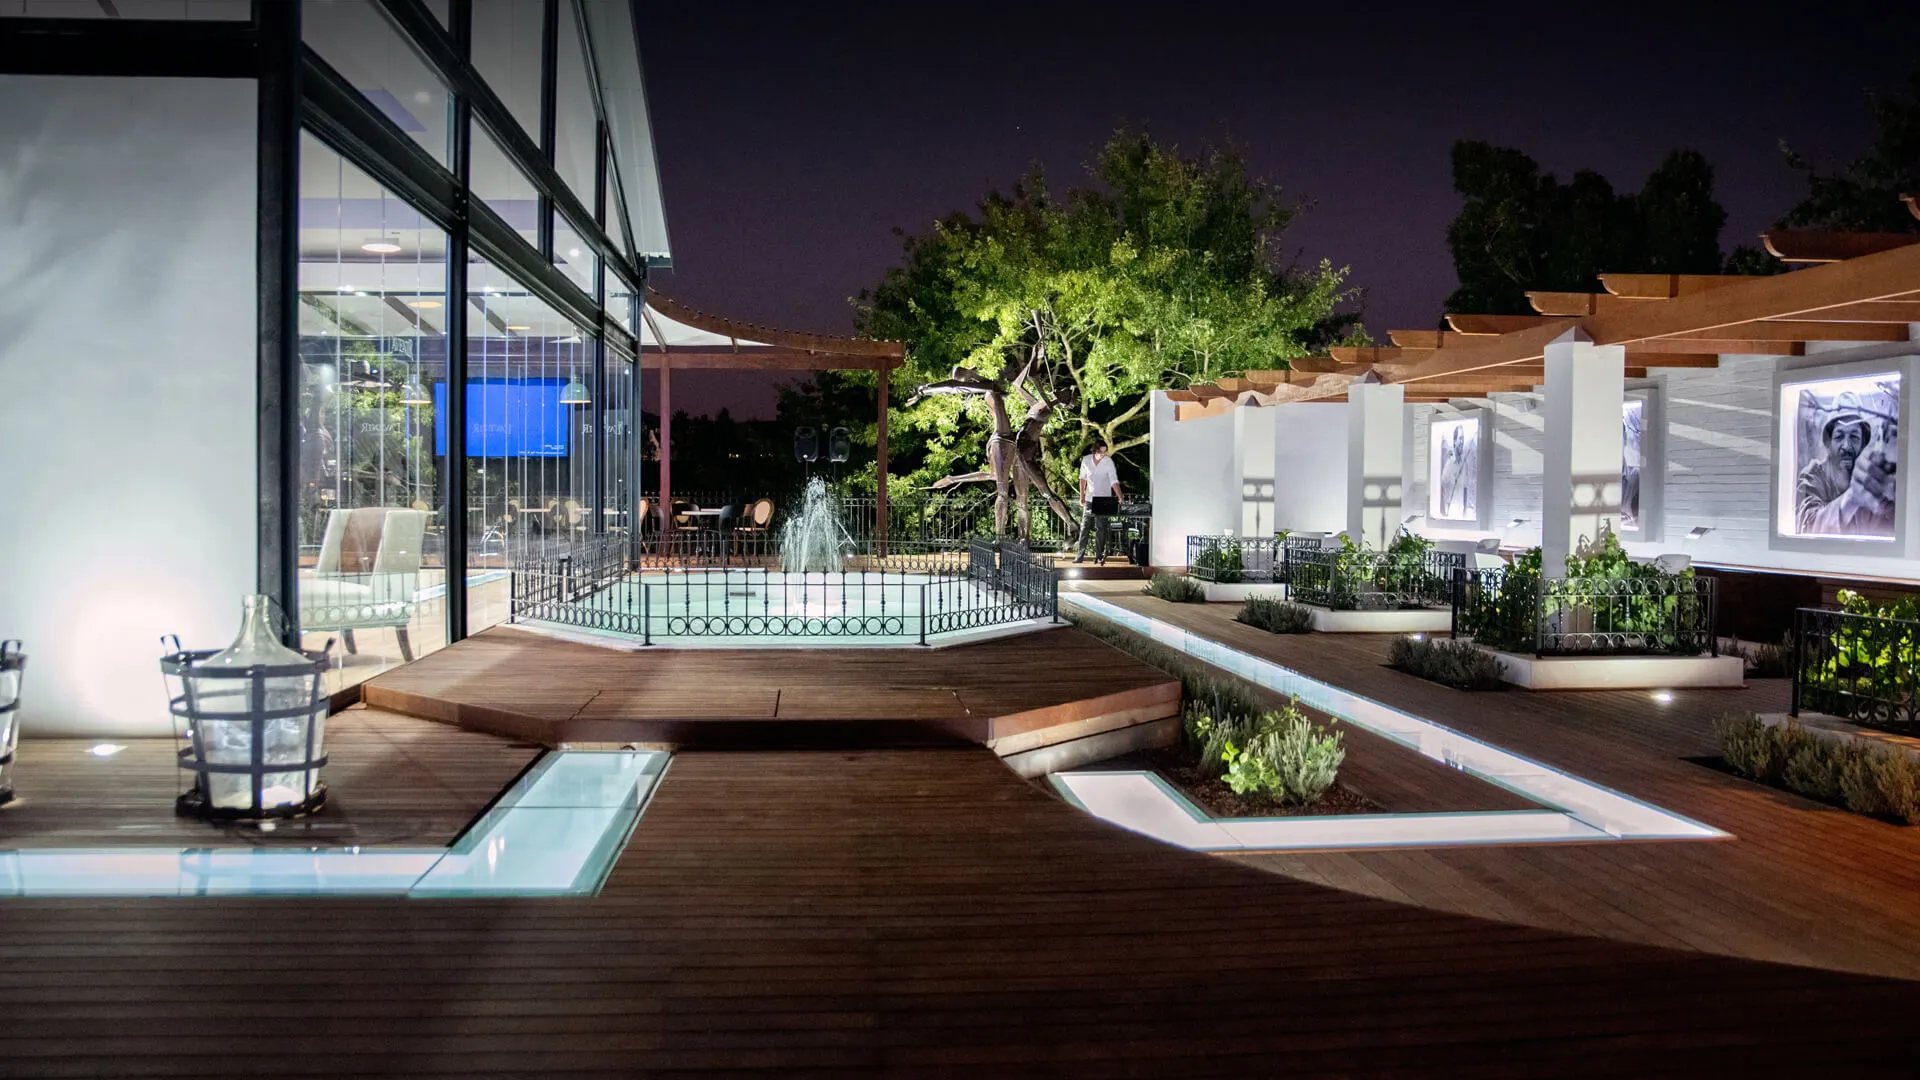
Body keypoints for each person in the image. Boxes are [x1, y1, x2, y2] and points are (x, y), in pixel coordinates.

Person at [1796, 406, 1897, 537]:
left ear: (1862, 444)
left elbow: (1888, 527)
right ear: (1828, 444)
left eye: (1854, 437)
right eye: (1839, 437)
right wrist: (1851, 499)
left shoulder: (1867, 478)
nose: (1847, 446)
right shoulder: (1813, 475)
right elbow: (1806, 527)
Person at [1075, 443, 1122, 564]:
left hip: (1104, 499)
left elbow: (1113, 480)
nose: (1103, 454)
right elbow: (1082, 478)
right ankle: (1079, 556)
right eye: (1101, 452)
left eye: (1105, 451)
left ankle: (1099, 555)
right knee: (1085, 526)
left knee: (1101, 528)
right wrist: (1082, 496)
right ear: (1095, 451)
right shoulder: (1086, 460)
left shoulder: (1108, 462)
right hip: (1090, 499)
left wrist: (1119, 495)